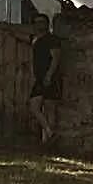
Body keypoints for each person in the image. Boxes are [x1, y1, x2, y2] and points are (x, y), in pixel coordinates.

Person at [28, 19, 63, 148]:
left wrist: (49, 75)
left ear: (47, 24)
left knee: (38, 106)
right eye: (36, 22)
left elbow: (56, 58)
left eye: (42, 22)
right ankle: (48, 137)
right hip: (40, 77)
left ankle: (48, 134)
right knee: (42, 107)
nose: (39, 24)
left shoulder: (52, 40)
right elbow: (22, 36)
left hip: (49, 77)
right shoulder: (36, 39)